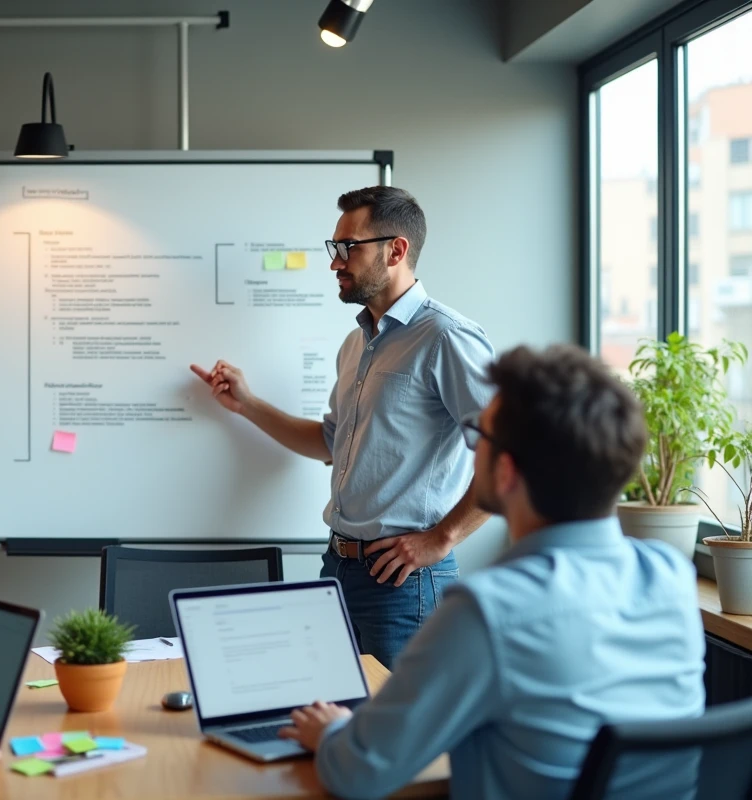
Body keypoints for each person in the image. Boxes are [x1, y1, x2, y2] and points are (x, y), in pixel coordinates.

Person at [280, 345, 706, 799]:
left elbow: (359, 773)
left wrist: (331, 731)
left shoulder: (489, 610)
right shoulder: (671, 577)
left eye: (477, 433)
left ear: (505, 472)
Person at [192, 186, 495, 667]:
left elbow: (514, 451)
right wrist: (247, 404)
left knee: (396, 715)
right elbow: (329, 442)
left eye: (348, 247)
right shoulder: (356, 344)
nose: (335, 262)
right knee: (332, 705)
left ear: (396, 250)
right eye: (335, 248)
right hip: (336, 569)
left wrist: (442, 538)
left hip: (403, 583)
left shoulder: (447, 338)